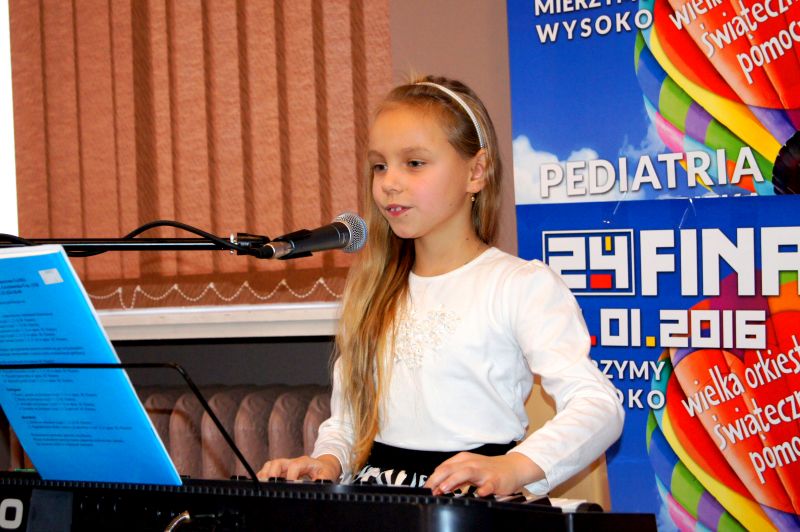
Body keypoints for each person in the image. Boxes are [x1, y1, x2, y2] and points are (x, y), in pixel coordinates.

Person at [258, 75, 624, 497]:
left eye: (414, 163)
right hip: (376, 501)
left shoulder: (518, 286)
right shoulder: (374, 289)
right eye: (380, 165)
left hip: (468, 504)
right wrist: (327, 461)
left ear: (476, 172)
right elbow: (347, 423)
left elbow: (599, 406)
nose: (389, 182)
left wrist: (514, 467)